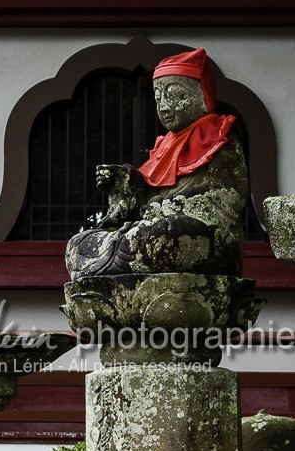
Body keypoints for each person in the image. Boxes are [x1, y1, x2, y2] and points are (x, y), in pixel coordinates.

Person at [66, 47, 249, 279]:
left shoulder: (221, 139)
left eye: (173, 95)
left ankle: (109, 261)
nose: (163, 106)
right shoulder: (163, 147)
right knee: (79, 244)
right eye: (158, 96)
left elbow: (225, 202)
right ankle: (112, 260)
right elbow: (141, 199)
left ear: (202, 95)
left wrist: (163, 209)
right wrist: (123, 183)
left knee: (166, 234)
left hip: (198, 235)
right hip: (150, 229)